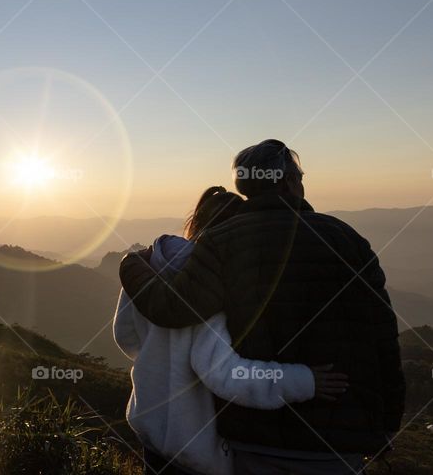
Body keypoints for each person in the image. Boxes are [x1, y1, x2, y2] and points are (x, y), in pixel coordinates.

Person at [119, 140, 405, 474]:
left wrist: (130, 265)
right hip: (339, 438)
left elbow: (175, 310)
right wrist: (386, 422)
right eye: (299, 177)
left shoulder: (221, 242)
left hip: (254, 437)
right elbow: (383, 338)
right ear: (288, 182)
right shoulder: (347, 239)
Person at [114, 186, 349, 475]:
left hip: (148, 427)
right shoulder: (212, 285)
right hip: (191, 446)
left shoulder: (149, 266)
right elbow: (225, 375)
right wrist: (305, 381)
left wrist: (159, 360)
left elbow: (125, 338)